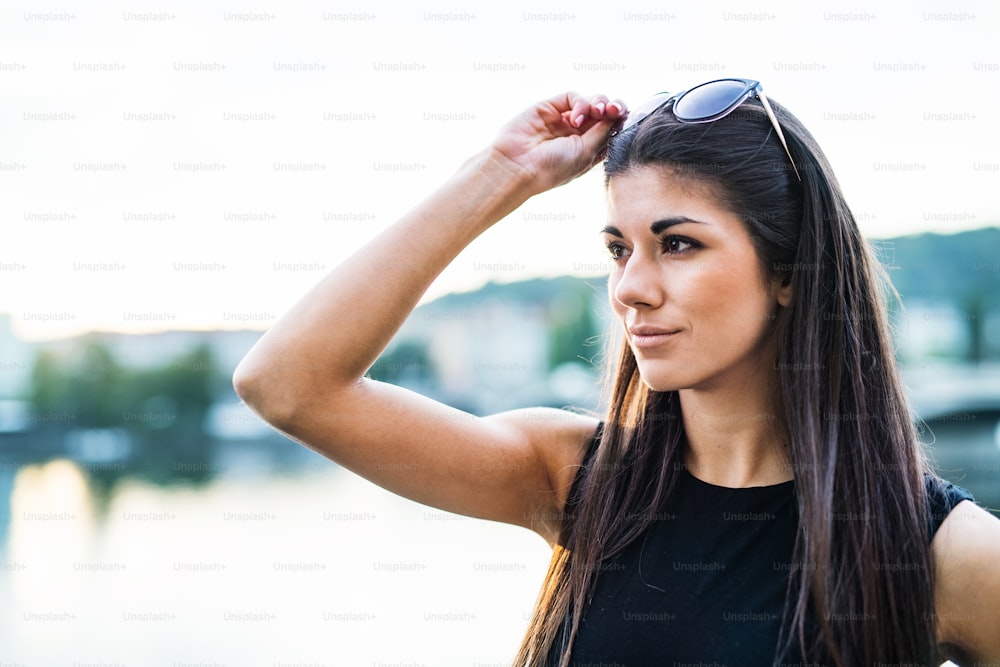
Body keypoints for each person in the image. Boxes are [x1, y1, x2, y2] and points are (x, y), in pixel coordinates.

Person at [232, 80, 1000, 666]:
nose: (631, 285)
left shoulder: (935, 547)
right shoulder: (578, 480)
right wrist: (502, 172)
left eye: (678, 244)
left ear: (789, 268)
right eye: (617, 248)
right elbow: (289, 384)